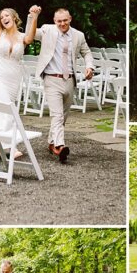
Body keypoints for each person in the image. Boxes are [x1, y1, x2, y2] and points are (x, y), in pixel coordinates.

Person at [0, 0, 40, 159]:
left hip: (14, 79)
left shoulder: (22, 37)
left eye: (7, 15)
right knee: (5, 107)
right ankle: (7, 146)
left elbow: (31, 38)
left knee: (8, 110)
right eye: (2, 17)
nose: (3, 18)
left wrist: (35, 17)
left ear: (14, 18)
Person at [34, 8, 94, 163]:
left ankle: (52, 142)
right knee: (57, 115)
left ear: (70, 19)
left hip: (69, 81)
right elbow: (30, 34)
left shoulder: (78, 35)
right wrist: (32, 17)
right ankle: (60, 146)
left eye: (65, 20)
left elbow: (86, 52)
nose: (62, 23)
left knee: (63, 117)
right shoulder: (47, 30)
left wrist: (90, 67)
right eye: (59, 21)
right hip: (52, 79)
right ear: (55, 21)